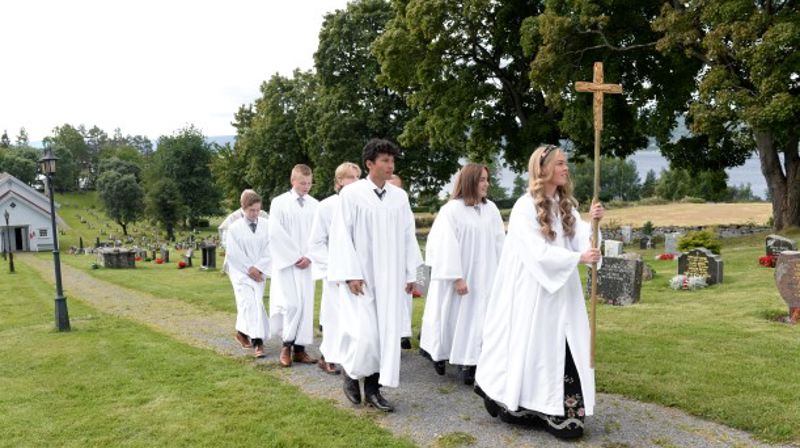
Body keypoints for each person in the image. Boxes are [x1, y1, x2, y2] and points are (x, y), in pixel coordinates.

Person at [474, 144, 604, 439]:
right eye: (559, 163)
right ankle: (527, 402)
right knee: (536, 344)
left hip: (563, 290)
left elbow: (581, 241)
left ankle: (564, 407)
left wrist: (594, 224)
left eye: (565, 162)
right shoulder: (524, 206)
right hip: (534, 291)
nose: (565, 168)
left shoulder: (565, 205)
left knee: (564, 344)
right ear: (542, 169)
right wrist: (576, 259)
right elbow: (535, 252)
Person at [328, 138, 423, 412]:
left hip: (391, 280)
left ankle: (373, 390)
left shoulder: (400, 197)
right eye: (384, 161)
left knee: (385, 337)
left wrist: (415, 276)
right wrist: (350, 274)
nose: (390, 166)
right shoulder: (352, 195)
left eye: (392, 161)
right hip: (363, 279)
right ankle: (349, 372)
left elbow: (409, 237)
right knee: (364, 336)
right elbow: (341, 236)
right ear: (370, 164)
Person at [419, 163, 505, 385]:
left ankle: (471, 362)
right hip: (459, 275)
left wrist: (503, 273)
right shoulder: (452, 210)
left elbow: (500, 243)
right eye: (481, 180)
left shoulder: (491, 209)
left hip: (485, 275)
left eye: (487, 179)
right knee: (452, 318)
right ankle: (439, 354)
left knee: (480, 318)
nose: (486, 184)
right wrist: (456, 276)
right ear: (469, 182)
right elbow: (443, 244)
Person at [307, 161, 361, 375]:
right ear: (339, 181)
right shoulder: (327, 206)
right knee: (334, 316)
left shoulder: (362, 203)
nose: (355, 182)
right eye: (351, 178)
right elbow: (315, 242)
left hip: (358, 271)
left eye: (358, 178)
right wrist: (333, 268)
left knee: (356, 317)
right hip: (335, 273)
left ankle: (354, 357)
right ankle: (327, 356)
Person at [269, 164, 319, 367]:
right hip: (287, 264)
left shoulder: (315, 205)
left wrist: (309, 256)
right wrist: (293, 257)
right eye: (302, 183)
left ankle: (300, 349)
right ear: (293, 181)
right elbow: (275, 233)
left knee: (306, 305)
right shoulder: (279, 203)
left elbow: (319, 234)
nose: (306, 187)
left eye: (309, 183)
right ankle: (286, 346)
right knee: (291, 305)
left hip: (307, 264)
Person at [224, 189, 272, 358]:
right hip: (241, 273)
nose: (255, 213)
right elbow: (233, 253)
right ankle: (258, 341)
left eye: (258, 210)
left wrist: (258, 268)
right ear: (243, 208)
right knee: (251, 303)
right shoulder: (234, 229)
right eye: (251, 210)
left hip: (260, 272)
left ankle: (241, 332)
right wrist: (248, 269)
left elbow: (270, 248)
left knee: (254, 303)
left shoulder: (267, 225)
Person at [387, 172, 413, 350]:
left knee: (406, 299)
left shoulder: (403, 205)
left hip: (404, 260)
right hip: (388, 263)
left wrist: (419, 277)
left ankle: (404, 333)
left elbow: (410, 237)